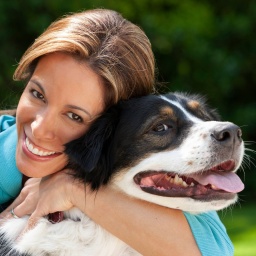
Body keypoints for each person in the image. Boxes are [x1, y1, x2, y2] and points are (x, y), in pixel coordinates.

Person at [0, 9, 234, 256]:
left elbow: (215, 250)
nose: (39, 128)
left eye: (74, 116)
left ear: (112, 130)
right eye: (37, 94)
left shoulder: (122, 165)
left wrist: (72, 187)